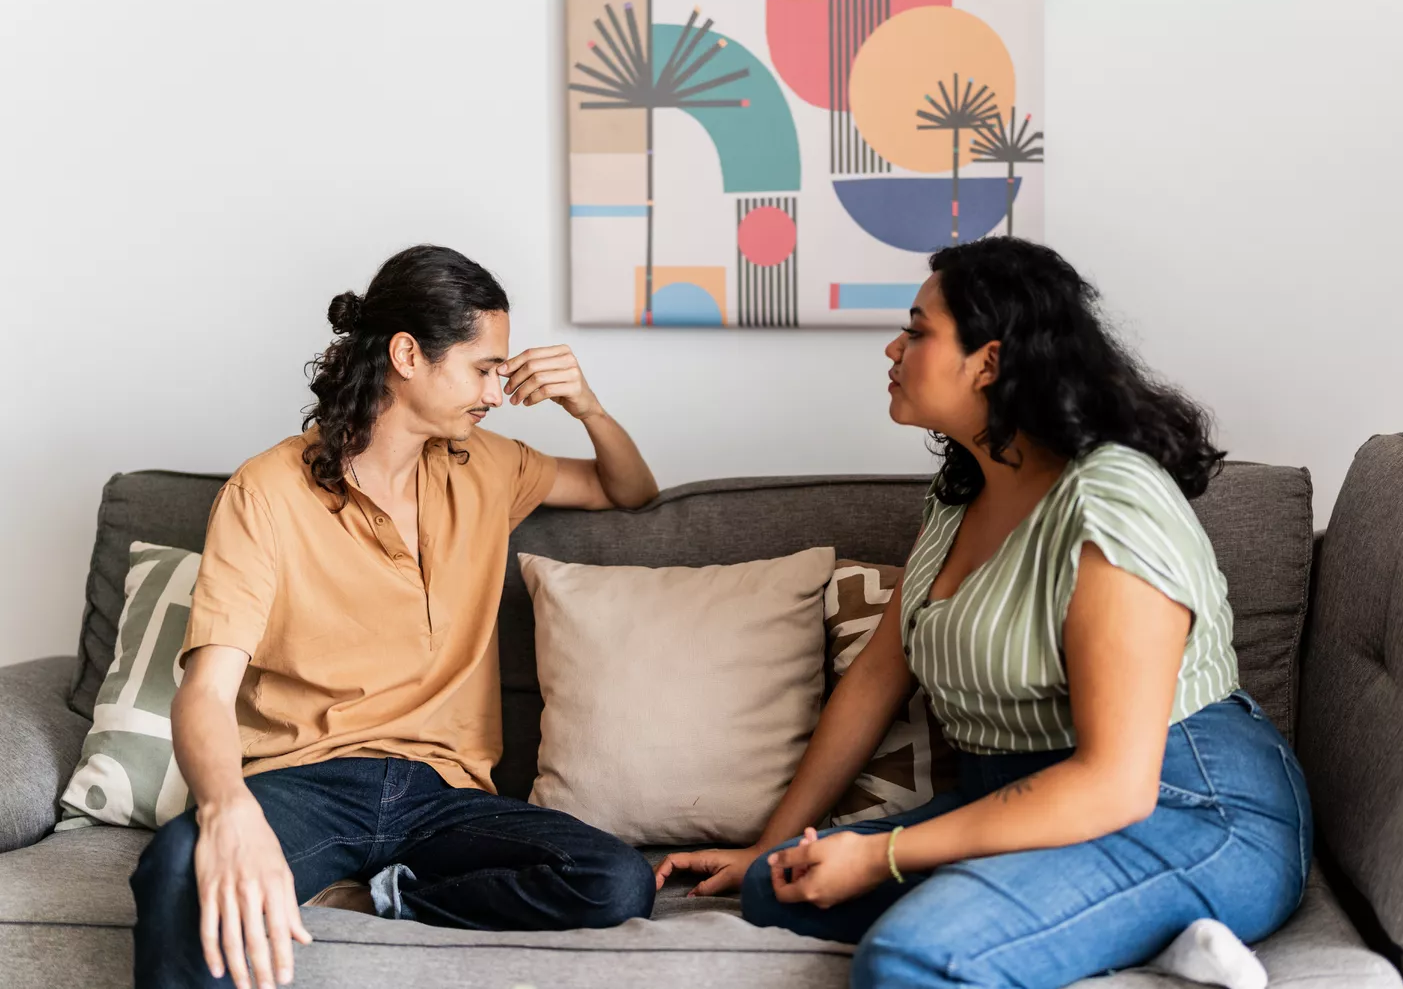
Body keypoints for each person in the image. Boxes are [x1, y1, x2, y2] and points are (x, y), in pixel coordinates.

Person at [656, 237, 1312, 989]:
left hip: (1183, 805)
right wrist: (765, 847)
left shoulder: (1112, 504)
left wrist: (878, 854)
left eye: (917, 329)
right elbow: (875, 678)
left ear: (990, 363)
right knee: (779, 884)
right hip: (1015, 801)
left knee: (913, 959)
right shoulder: (963, 490)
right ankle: (1144, 941)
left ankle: (1135, 922)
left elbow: (1113, 784)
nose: (893, 348)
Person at [131, 245, 661, 989]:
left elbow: (629, 490)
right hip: (309, 781)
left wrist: (589, 406)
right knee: (180, 864)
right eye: (484, 367)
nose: (497, 391)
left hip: (442, 796)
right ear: (409, 354)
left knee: (615, 878)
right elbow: (208, 690)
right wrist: (225, 808)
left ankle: (393, 895)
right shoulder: (268, 491)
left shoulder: (487, 465)